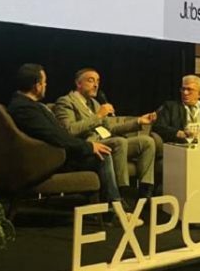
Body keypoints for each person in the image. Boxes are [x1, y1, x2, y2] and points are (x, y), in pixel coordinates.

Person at [7, 63, 123, 207]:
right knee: (102, 155)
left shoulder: (30, 105)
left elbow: (57, 134)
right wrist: (89, 146)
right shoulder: (24, 108)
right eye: (44, 82)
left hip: (55, 154)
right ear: (37, 86)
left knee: (103, 151)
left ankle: (109, 206)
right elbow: (56, 136)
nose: (46, 85)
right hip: (47, 161)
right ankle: (115, 207)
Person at [54, 68, 156, 201]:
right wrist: (98, 116)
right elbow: (69, 131)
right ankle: (121, 192)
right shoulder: (66, 101)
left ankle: (145, 193)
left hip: (107, 141)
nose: (96, 85)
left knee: (146, 142)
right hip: (88, 146)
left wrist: (138, 121)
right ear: (78, 83)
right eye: (91, 81)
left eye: (97, 81)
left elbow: (111, 129)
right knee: (119, 142)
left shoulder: (95, 104)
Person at [154, 74, 200, 143]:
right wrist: (179, 133)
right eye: (183, 89)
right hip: (182, 144)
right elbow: (158, 127)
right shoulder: (170, 107)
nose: (185, 93)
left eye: (189, 89)